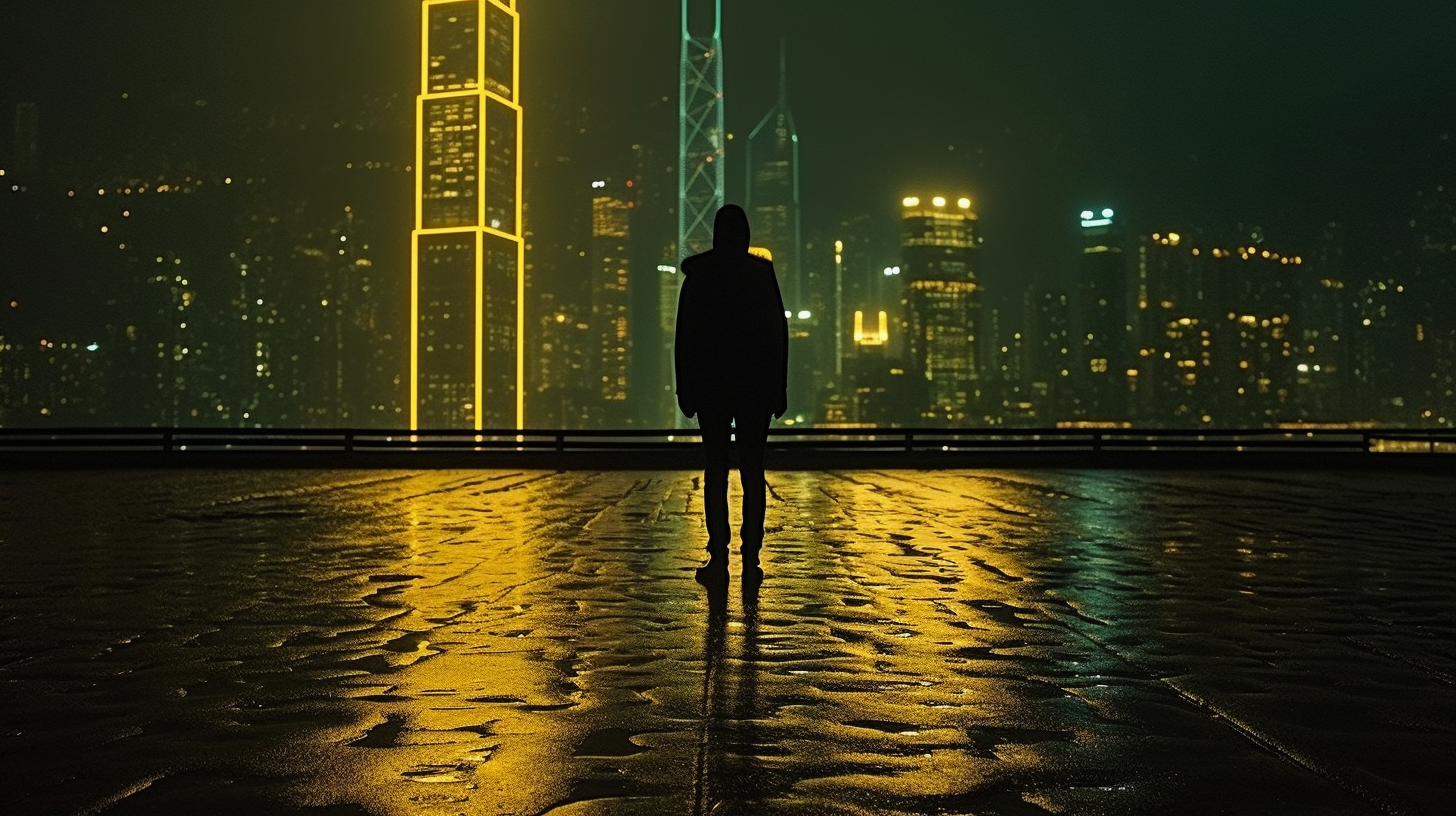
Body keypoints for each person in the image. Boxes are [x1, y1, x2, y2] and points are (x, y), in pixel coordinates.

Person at [674, 204, 789, 585]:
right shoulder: (760, 275)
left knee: (716, 471)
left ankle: (719, 557)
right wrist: (778, 387)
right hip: (755, 386)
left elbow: (685, 337)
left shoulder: (699, 276)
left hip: (711, 386)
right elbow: (777, 334)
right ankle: (751, 558)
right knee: (753, 471)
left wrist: (685, 387)